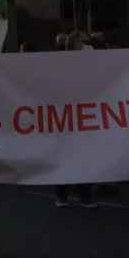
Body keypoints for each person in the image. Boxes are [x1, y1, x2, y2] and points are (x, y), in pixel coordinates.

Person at [54, 31, 102, 208]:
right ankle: (62, 194)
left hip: (82, 117)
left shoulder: (87, 62)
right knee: (66, 157)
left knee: (84, 157)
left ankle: (84, 194)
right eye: (84, 41)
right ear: (75, 44)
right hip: (67, 118)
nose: (87, 44)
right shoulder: (62, 64)